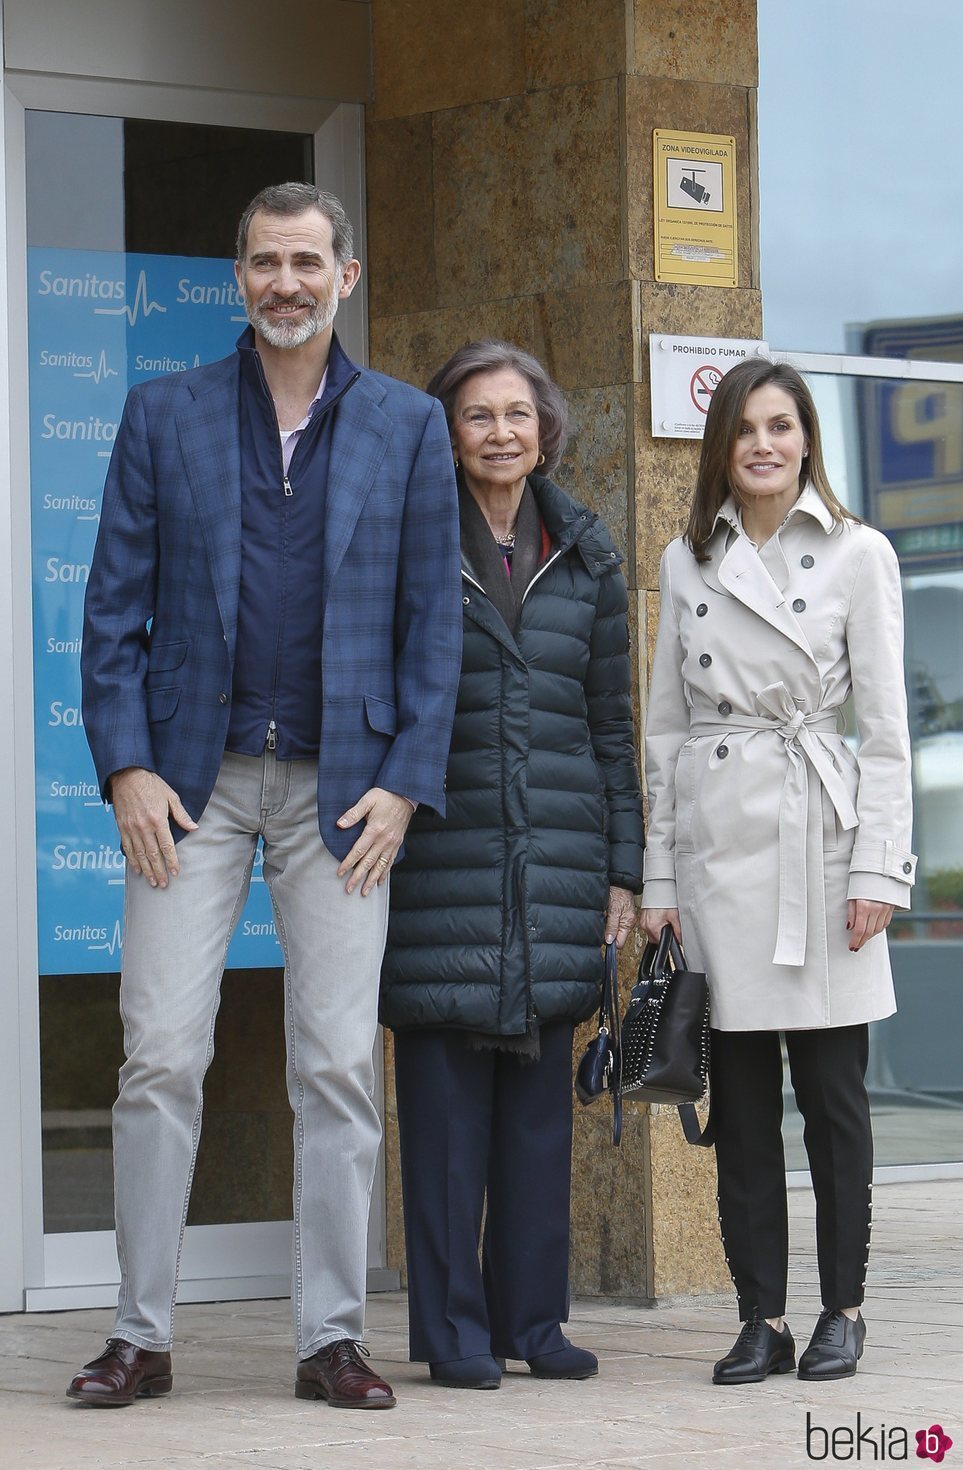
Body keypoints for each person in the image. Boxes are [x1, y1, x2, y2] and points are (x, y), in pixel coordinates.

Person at [70, 182, 462, 1410]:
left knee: (340, 1063)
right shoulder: (164, 416)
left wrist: (405, 783)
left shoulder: (405, 427)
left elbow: (430, 627)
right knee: (160, 1058)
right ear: (236, 278)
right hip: (189, 788)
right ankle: (140, 1334)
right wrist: (128, 765)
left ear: (345, 275)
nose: (283, 281)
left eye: (305, 260)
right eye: (261, 261)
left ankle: (328, 1338)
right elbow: (109, 613)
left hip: (346, 795)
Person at [639, 359, 915, 1386]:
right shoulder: (684, 559)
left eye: (780, 426)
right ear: (719, 444)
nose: (761, 443)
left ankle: (840, 1308)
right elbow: (665, 730)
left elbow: (885, 731)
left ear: (805, 440)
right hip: (718, 851)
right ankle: (760, 1316)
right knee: (743, 1108)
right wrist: (657, 877)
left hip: (821, 841)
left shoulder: (857, 552)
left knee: (834, 1102)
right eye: (744, 428)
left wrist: (879, 868)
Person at [380, 340, 644, 1390]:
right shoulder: (404, 542)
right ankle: (452, 1334)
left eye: (516, 414)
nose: (499, 431)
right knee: (446, 1121)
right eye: (476, 414)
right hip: (438, 857)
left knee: (537, 1127)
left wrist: (623, 869)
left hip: (560, 864)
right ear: (445, 432)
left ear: (546, 429)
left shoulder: (584, 550)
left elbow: (609, 725)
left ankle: (534, 1325)